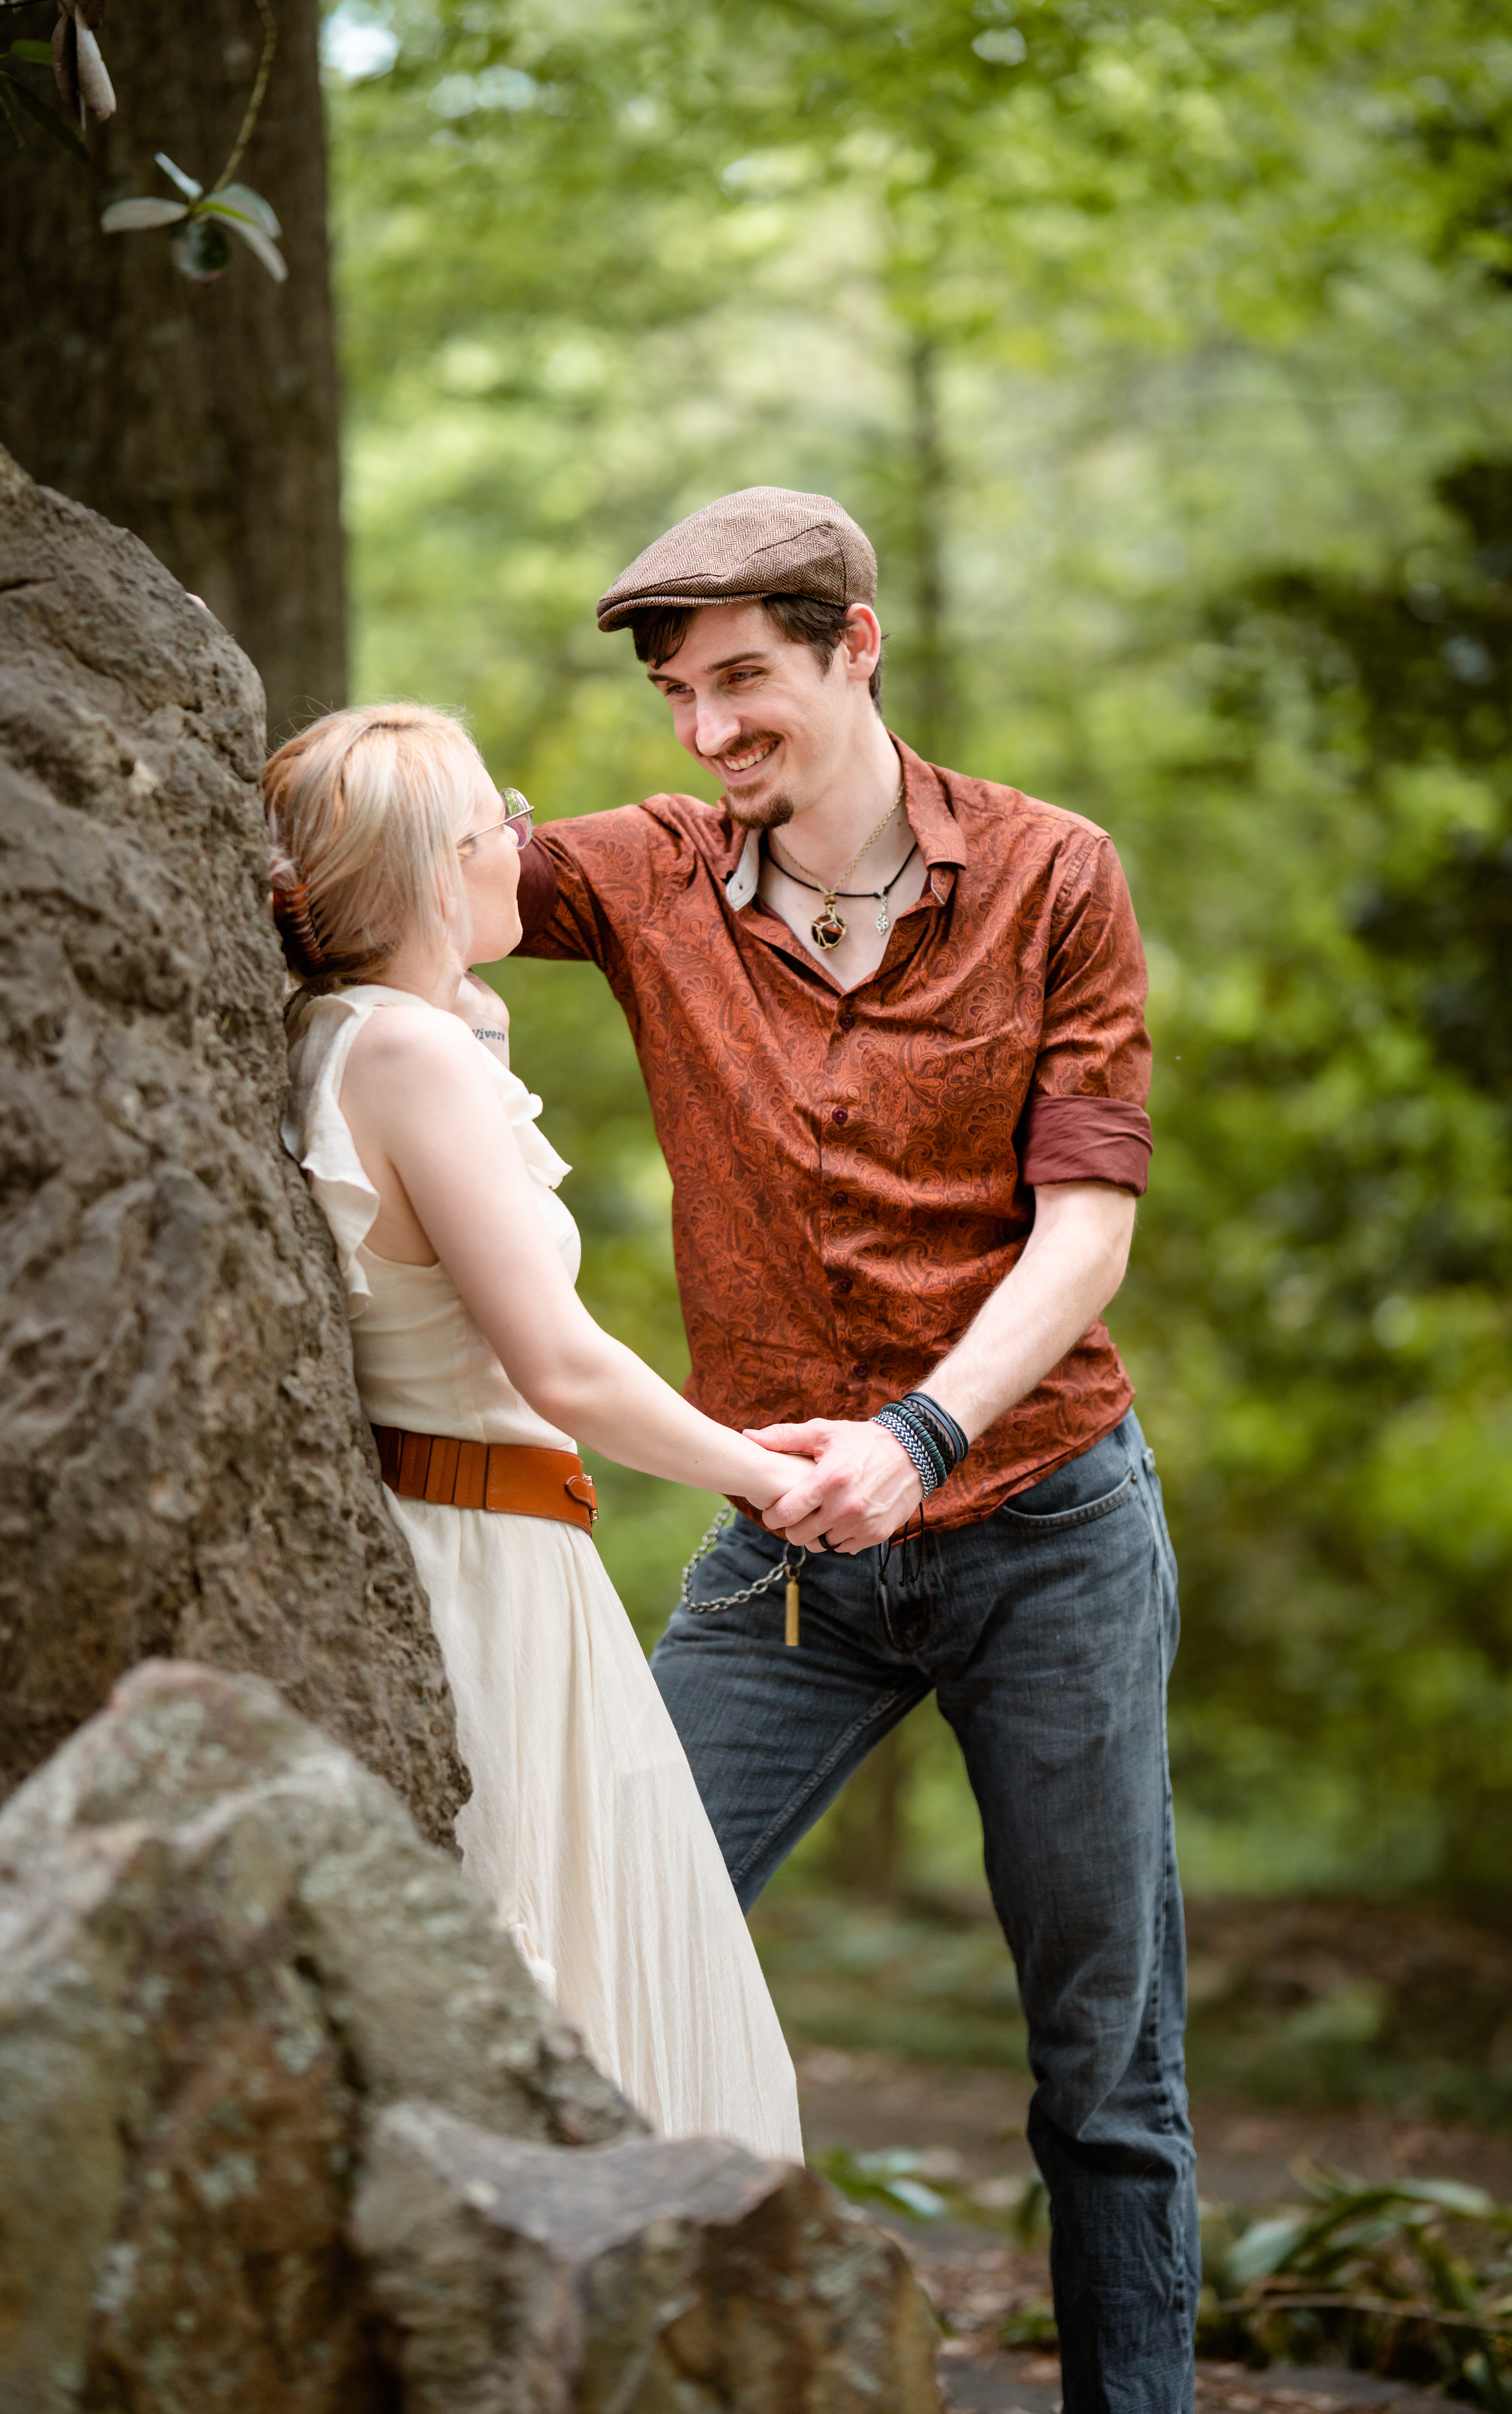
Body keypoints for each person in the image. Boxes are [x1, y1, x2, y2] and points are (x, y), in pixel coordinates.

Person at [510, 487, 1198, 2411]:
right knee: (588, 1951)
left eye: (745, 681)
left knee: (1106, 2063)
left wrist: (924, 1429)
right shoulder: (645, 873)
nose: (708, 732)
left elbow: (1090, 1228)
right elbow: (395, 884)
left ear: (855, 647)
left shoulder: (1058, 875)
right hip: (784, 1560)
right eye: (678, 694)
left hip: (1046, 1525)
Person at [265, 701, 802, 2164]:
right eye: (493, 814)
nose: (525, 830)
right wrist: (767, 1473)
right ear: (442, 868)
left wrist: (469, 1004)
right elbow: (559, 1365)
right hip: (488, 1564)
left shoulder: (371, 1034)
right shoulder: (407, 1059)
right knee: (590, 1996)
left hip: (487, 1540)